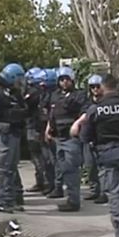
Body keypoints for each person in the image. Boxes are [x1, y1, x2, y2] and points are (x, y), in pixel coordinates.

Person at [71, 74, 119, 237]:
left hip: (107, 154)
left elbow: (85, 136)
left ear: (102, 87)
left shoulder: (96, 110)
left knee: (114, 193)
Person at [45, 66, 89, 212]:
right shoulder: (55, 95)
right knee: (63, 169)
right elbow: (52, 114)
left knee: (71, 169)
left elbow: (86, 112)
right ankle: (70, 197)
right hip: (58, 137)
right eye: (61, 79)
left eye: (67, 79)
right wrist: (48, 129)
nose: (64, 82)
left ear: (72, 80)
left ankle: (74, 201)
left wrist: (77, 124)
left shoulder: (79, 95)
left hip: (71, 138)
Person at [0, 63, 28, 214]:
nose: (20, 83)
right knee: (3, 169)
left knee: (11, 169)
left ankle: (10, 200)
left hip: (14, 135)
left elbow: (24, 111)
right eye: (18, 79)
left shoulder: (13, 94)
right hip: (4, 135)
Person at [82, 74, 107, 204]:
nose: (95, 89)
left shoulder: (107, 102)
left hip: (102, 138)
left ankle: (104, 192)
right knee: (90, 166)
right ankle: (94, 190)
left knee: (103, 168)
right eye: (92, 87)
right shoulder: (87, 103)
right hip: (89, 138)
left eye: (98, 86)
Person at [23, 68, 47, 193]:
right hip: (39, 126)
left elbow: (25, 106)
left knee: (37, 155)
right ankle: (43, 181)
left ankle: (42, 181)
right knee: (41, 154)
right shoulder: (44, 92)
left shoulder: (33, 93)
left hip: (34, 126)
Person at [39, 68, 60, 196]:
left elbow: (51, 115)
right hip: (43, 130)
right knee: (47, 160)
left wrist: (48, 129)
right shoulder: (44, 94)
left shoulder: (53, 96)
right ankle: (51, 184)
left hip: (51, 131)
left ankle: (57, 186)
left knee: (54, 160)